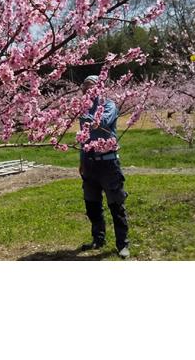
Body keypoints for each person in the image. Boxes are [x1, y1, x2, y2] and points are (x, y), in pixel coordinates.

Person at [78, 75, 130, 259]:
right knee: (92, 204)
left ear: (99, 87)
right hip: (89, 163)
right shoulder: (84, 108)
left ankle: (122, 244)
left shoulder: (108, 105)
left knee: (116, 204)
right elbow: (84, 136)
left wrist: (85, 116)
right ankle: (98, 238)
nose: (86, 90)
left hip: (108, 163)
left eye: (90, 86)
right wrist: (81, 160)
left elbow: (102, 122)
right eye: (84, 86)